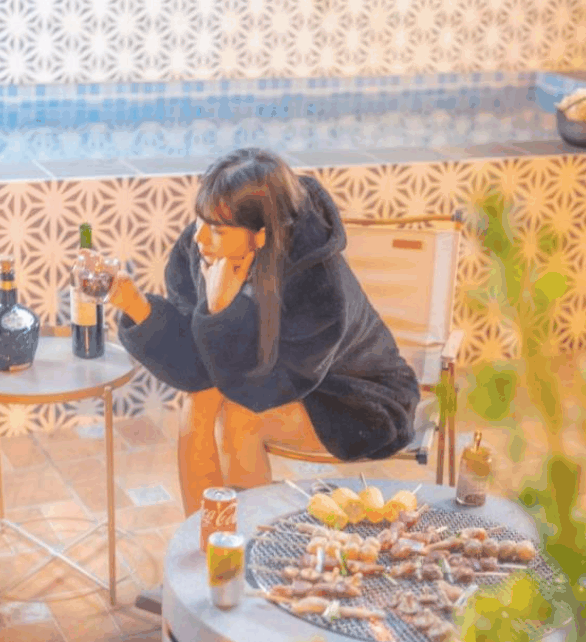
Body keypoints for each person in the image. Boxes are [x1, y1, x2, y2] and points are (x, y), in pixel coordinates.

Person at [110, 147, 421, 516]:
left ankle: (247, 538)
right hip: (276, 385)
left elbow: (263, 389)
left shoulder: (319, 287)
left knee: (241, 418)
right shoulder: (204, 249)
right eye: (199, 221)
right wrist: (138, 308)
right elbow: (198, 371)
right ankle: (205, 539)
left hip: (356, 398)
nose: (200, 239)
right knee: (197, 402)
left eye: (217, 230)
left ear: (261, 235)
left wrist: (221, 311)